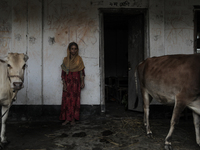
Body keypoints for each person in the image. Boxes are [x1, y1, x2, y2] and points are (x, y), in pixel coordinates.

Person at [59, 42, 85, 125]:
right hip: (68, 82)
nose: (74, 50)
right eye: (72, 49)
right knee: (66, 101)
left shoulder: (79, 59)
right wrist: (64, 84)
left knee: (74, 100)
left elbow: (81, 71)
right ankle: (67, 119)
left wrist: (82, 82)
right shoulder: (66, 60)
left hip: (76, 83)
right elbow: (63, 74)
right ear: (69, 50)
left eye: (75, 49)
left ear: (77, 50)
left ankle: (73, 118)